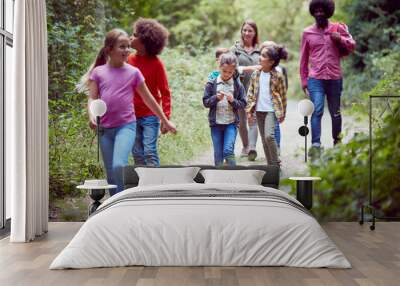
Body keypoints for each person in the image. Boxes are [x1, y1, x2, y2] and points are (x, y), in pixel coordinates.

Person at [85, 28, 176, 196]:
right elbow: (92, 98)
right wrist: (91, 115)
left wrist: (165, 120)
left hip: (126, 126)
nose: (127, 50)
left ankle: (125, 199)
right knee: (110, 171)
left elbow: (150, 99)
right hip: (104, 128)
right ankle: (116, 202)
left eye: (128, 46)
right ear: (109, 50)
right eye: (122, 46)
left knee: (119, 165)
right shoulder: (98, 73)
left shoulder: (134, 73)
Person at [300, 0, 356, 157]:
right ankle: (316, 145)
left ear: (328, 11)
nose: (319, 13)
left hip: (334, 78)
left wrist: (341, 39)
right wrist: (304, 80)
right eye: (316, 10)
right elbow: (303, 59)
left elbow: (352, 44)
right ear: (313, 12)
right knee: (317, 109)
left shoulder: (338, 28)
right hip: (315, 78)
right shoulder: (307, 33)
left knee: (335, 112)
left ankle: (337, 143)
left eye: (322, 10)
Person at [128, 18, 172, 167]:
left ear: (145, 41)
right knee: (137, 152)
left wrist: (165, 118)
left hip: (150, 115)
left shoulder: (156, 64)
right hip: (131, 115)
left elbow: (165, 93)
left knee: (149, 151)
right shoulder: (127, 60)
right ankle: (142, 185)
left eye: (134, 35)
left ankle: (155, 185)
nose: (130, 37)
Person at [246, 45, 288, 167]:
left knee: (269, 136)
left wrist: (283, 113)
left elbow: (283, 95)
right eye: (261, 54)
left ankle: (276, 163)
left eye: (264, 56)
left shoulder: (278, 76)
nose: (260, 57)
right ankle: (271, 166)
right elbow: (250, 93)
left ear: (271, 62)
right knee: (264, 140)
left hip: (271, 110)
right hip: (258, 111)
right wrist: (249, 111)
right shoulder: (256, 74)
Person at [203, 53, 247, 166]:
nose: (227, 74)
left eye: (230, 72)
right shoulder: (212, 83)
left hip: (231, 124)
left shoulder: (237, 85)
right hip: (216, 124)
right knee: (218, 155)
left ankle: (233, 175)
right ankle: (218, 179)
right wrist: (215, 98)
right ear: (219, 67)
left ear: (234, 71)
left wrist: (233, 101)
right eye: (224, 71)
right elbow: (205, 102)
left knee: (228, 151)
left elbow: (243, 103)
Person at [230, 20, 262, 159]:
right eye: (245, 30)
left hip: (256, 90)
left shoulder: (261, 50)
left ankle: (252, 148)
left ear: (255, 33)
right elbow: (231, 68)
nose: (247, 33)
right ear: (241, 32)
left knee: (253, 119)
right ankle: (245, 146)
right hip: (239, 89)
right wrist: (250, 68)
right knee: (242, 120)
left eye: (250, 30)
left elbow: (265, 67)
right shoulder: (235, 50)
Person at [259, 40, 289, 156]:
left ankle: (277, 149)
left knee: (274, 129)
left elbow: (283, 90)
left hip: (274, 106)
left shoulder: (279, 71)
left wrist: (282, 110)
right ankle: (271, 155)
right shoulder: (258, 71)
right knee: (266, 133)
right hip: (262, 107)